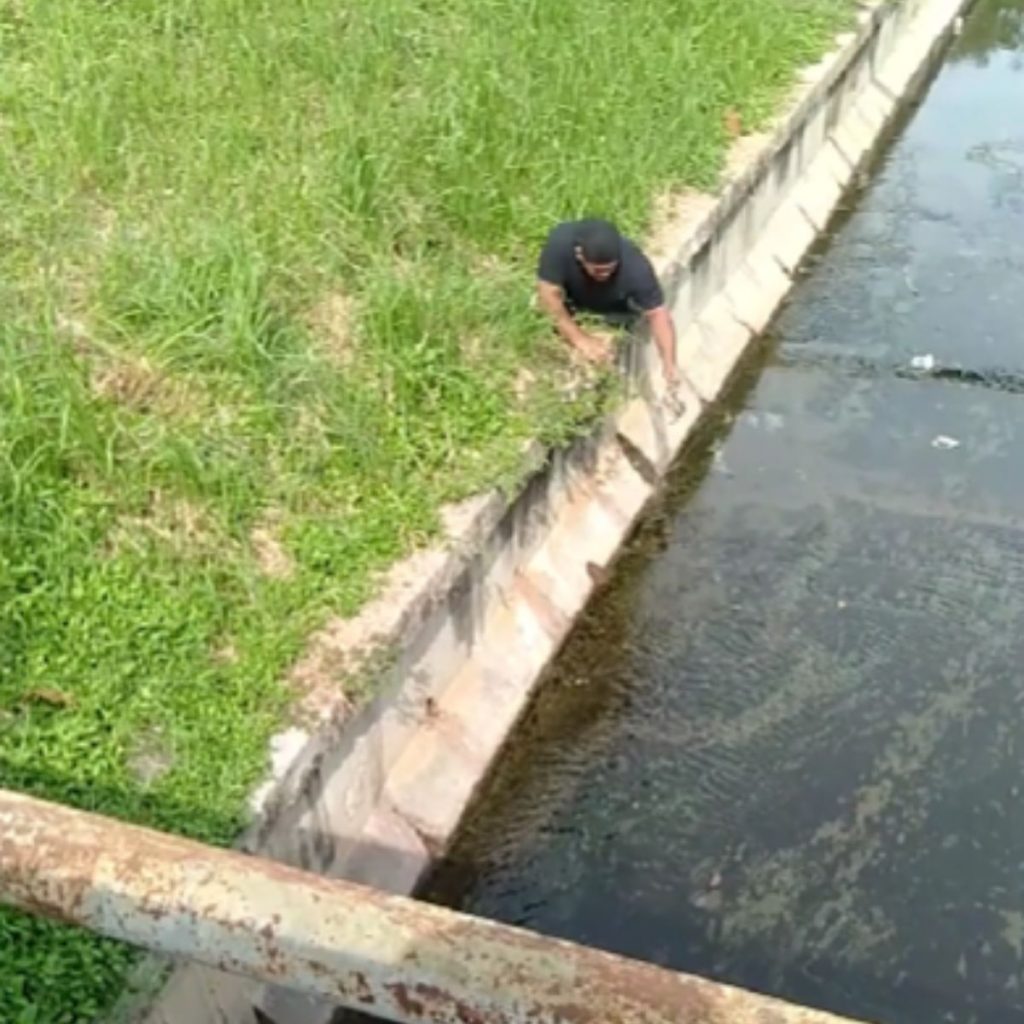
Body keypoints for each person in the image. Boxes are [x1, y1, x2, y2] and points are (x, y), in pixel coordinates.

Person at [536, 218, 678, 388]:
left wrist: (669, 364)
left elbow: (658, 314)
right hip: (571, 296)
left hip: (609, 303)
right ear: (580, 256)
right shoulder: (560, 244)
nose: (604, 275)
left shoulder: (636, 267)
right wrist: (580, 339)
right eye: (598, 270)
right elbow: (547, 294)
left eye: (610, 269)